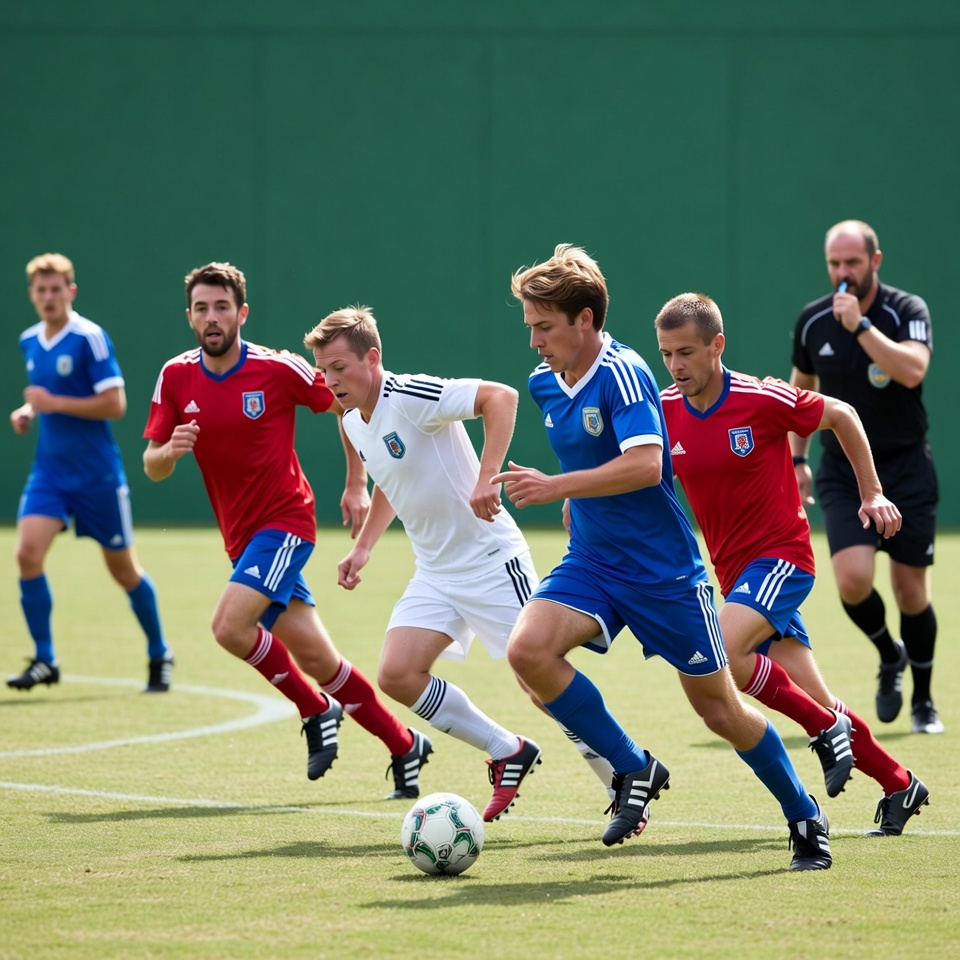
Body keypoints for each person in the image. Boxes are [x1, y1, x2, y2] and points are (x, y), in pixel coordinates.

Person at [493, 243, 831, 871]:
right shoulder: (544, 381)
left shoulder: (624, 372)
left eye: (544, 326)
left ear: (585, 321)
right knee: (527, 651)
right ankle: (633, 766)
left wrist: (558, 487)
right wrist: (576, 498)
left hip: (664, 573)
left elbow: (649, 466)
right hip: (593, 561)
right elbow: (591, 457)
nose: (534, 341)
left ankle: (805, 814)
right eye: (530, 327)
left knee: (718, 708)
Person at [305, 306, 617, 821]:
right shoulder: (352, 417)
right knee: (398, 673)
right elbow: (392, 476)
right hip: (435, 571)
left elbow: (502, 397)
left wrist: (485, 476)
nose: (330, 379)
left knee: (541, 685)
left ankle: (621, 778)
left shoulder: (408, 395)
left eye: (339, 366)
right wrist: (363, 546)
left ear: (373, 358)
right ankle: (507, 750)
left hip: (492, 560)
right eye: (323, 368)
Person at [142, 262, 429, 793]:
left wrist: (355, 482)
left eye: (222, 307)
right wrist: (170, 451)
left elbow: (346, 404)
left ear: (241, 313)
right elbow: (151, 466)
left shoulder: (280, 369)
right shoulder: (175, 376)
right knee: (321, 659)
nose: (212, 317)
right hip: (241, 540)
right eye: (202, 308)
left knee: (229, 627)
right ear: (189, 316)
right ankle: (405, 745)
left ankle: (315, 710)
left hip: (286, 522)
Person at [657, 292, 930, 836]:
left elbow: (843, 414)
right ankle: (900, 783)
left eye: (686, 352)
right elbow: (638, 469)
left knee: (718, 654)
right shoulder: (665, 410)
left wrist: (871, 493)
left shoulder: (760, 398)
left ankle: (824, 728)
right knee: (811, 693)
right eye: (666, 354)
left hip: (782, 559)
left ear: (718, 346)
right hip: (736, 579)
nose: (676, 365)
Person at [790, 220, 941, 734]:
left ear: (875, 261)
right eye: (835, 264)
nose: (842, 274)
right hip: (842, 472)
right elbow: (801, 391)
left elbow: (912, 370)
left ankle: (923, 701)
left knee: (910, 592)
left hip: (905, 466)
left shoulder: (906, 311)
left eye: (852, 263)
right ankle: (888, 653)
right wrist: (798, 460)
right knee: (853, 581)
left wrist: (860, 327)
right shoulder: (813, 322)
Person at [8, 253, 173, 693]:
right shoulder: (29, 340)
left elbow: (115, 404)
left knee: (123, 571)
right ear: (32, 295)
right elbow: (45, 397)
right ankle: (46, 658)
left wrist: (51, 403)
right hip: (49, 475)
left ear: (71, 291)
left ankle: (160, 652)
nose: (48, 297)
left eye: (55, 289)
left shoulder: (89, 338)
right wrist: (28, 411)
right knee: (26, 555)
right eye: (40, 290)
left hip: (97, 477)